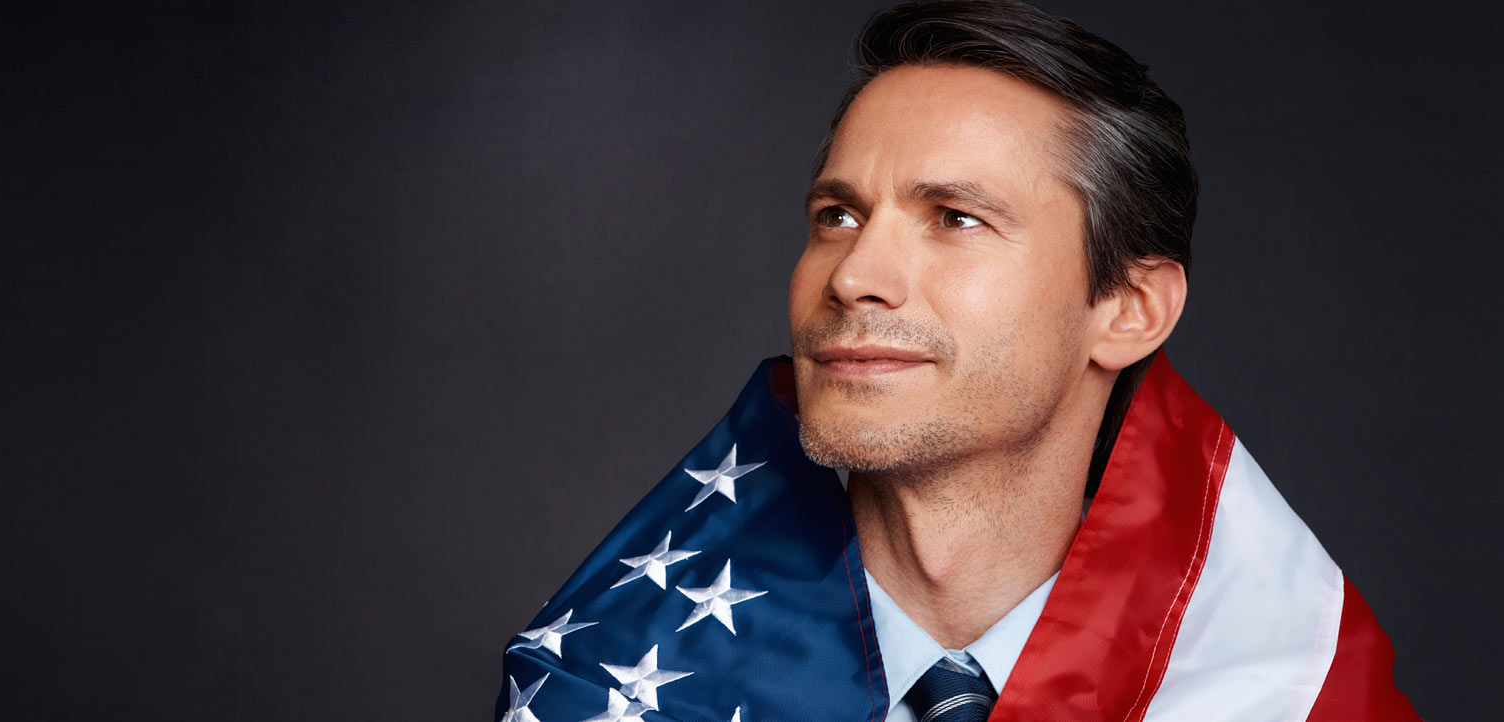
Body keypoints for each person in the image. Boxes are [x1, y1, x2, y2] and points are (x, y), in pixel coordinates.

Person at [495, 1, 1419, 720]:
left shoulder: (1279, 694)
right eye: (837, 216)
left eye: (956, 219)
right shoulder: (609, 685)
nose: (854, 276)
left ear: (1130, 311)